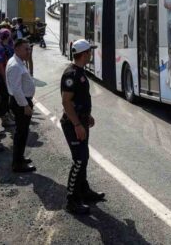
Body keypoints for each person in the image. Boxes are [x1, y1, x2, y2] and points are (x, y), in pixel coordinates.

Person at [61, 39, 105, 214]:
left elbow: (79, 99)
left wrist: (87, 116)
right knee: (79, 160)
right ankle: (72, 200)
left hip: (81, 120)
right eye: (90, 52)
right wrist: (78, 124)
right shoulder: (71, 74)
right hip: (73, 124)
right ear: (84, 54)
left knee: (84, 158)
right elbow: (66, 102)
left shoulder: (79, 71)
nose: (91, 54)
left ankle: (84, 191)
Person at [6, 38, 36, 172]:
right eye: (26, 49)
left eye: (29, 49)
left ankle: (20, 157)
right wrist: (25, 105)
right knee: (21, 133)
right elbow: (16, 89)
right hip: (20, 102)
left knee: (23, 132)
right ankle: (17, 164)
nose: (28, 51)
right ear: (17, 49)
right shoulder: (15, 65)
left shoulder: (19, 62)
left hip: (22, 100)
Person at [0, 29, 14, 128]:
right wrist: (5, 79)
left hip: (9, 76)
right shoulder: (0, 49)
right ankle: (4, 118)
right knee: (4, 98)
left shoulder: (7, 47)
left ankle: (7, 114)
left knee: (7, 97)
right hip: (3, 78)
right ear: (7, 36)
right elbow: (0, 66)